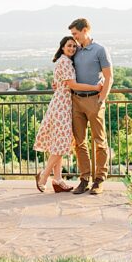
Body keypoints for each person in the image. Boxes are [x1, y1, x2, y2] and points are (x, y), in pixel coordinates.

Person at [33, 36, 103, 193]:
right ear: (62, 47)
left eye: (74, 46)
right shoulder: (65, 62)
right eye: (69, 46)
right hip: (62, 106)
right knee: (61, 144)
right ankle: (43, 176)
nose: (72, 48)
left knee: (58, 143)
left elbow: (60, 83)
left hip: (62, 103)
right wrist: (95, 87)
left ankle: (57, 180)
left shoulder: (64, 61)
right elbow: (73, 85)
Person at [67, 18, 113, 196]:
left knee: (99, 142)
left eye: (75, 33)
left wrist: (101, 99)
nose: (74, 37)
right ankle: (84, 179)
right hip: (76, 101)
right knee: (79, 142)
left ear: (85, 30)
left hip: (94, 101)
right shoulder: (75, 51)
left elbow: (109, 77)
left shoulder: (100, 50)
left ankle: (99, 180)